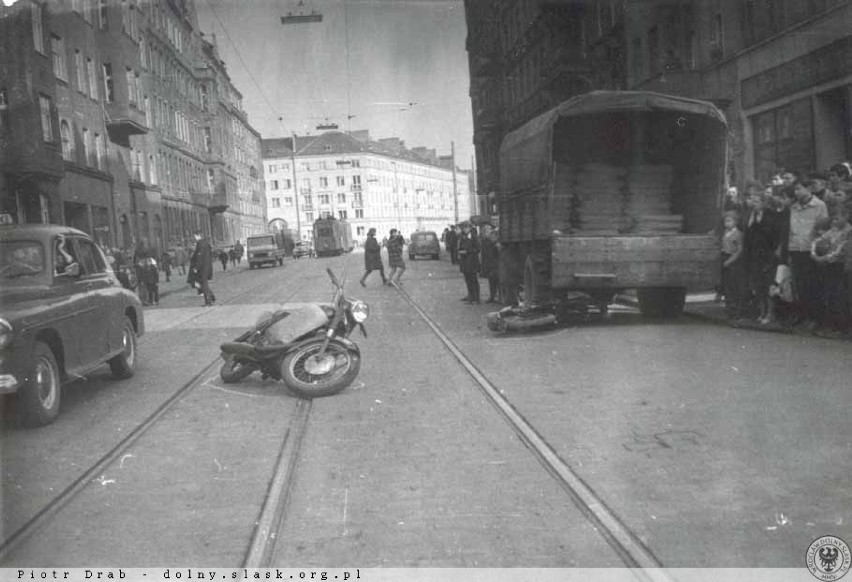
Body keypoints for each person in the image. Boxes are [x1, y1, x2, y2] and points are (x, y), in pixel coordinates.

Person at [787, 178, 829, 328]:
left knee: (812, 285)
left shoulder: (819, 206)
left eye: (799, 189)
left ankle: (815, 318)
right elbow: (791, 230)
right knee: (799, 285)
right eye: (795, 190)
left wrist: (816, 247)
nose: (796, 192)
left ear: (809, 188)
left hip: (810, 250)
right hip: (795, 249)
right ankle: (803, 315)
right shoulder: (793, 207)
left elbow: (823, 230)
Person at [811, 210, 850, 337]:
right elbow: (818, 241)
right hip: (830, 266)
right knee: (829, 295)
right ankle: (831, 325)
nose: (834, 222)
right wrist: (814, 253)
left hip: (841, 267)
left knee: (839, 297)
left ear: (846, 217)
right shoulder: (833, 230)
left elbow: (841, 250)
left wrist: (823, 258)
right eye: (833, 219)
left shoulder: (849, 232)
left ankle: (841, 328)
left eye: (837, 219)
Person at [744, 191, 780, 323]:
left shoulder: (771, 215)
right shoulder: (750, 216)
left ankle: (770, 314)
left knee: (768, 284)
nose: (754, 204)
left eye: (757, 201)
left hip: (768, 254)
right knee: (757, 285)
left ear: (764, 203)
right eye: (753, 201)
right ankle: (761, 312)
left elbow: (774, 235)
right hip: (754, 254)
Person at [721, 211, 746, 320]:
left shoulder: (738, 234)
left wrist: (729, 261)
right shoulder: (725, 233)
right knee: (727, 286)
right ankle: (729, 310)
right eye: (725, 221)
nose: (726, 223)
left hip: (734, 261)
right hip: (725, 257)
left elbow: (739, 251)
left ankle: (737, 311)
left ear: (735, 222)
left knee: (735, 286)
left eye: (729, 221)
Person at [458, 222, 481, 304]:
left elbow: (478, 249)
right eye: (463, 228)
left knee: (473, 280)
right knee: (467, 280)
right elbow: (460, 247)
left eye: (465, 228)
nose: (464, 230)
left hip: (472, 262)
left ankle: (476, 298)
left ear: (469, 228)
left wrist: (467, 251)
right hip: (465, 262)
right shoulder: (463, 237)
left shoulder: (474, 237)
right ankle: (470, 296)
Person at [191, 231, 216, 306]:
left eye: (194, 236)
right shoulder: (206, 243)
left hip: (202, 268)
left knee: (203, 284)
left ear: (197, 236)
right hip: (207, 266)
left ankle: (208, 301)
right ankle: (212, 296)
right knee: (204, 283)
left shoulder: (200, 244)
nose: (194, 238)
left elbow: (199, 257)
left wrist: (196, 268)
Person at [479, 224, 500, 303]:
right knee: (491, 281)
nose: (486, 233)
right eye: (485, 231)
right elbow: (483, 253)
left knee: (497, 280)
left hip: (495, 263)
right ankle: (492, 296)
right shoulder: (484, 241)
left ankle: (499, 297)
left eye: (488, 231)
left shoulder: (494, 241)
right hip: (488, 263)